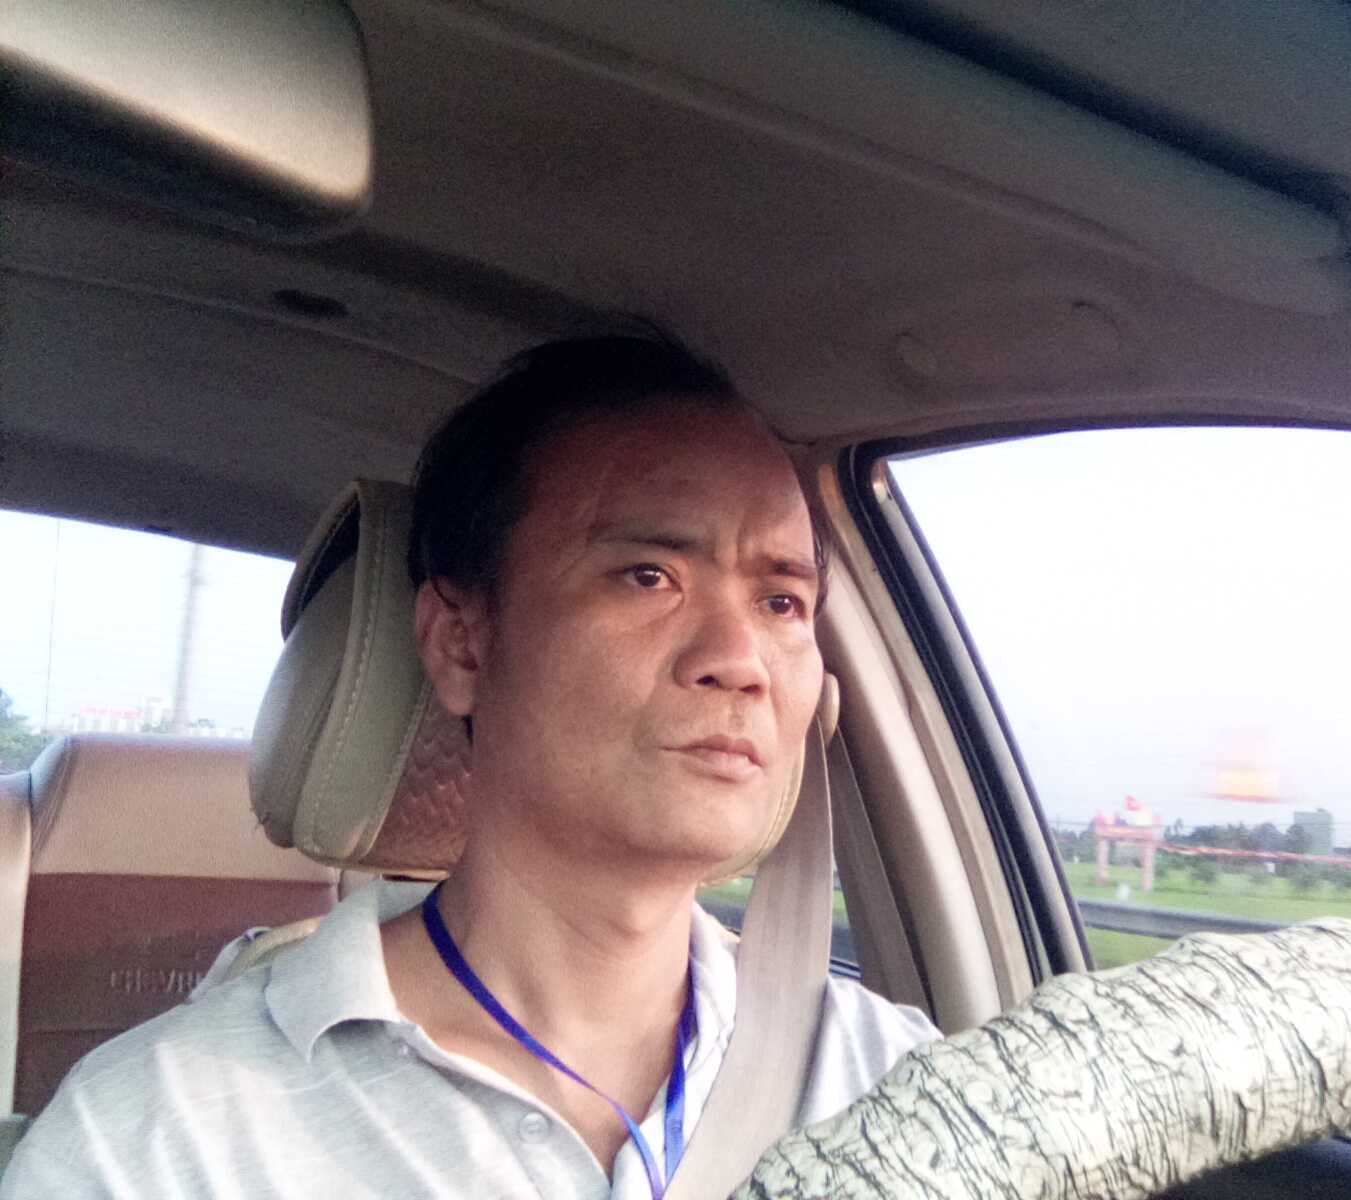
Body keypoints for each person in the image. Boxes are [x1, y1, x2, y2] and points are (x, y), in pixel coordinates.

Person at [1, 336, 939, 1198]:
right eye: (648, 575)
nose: (739, 659)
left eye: (782, 603)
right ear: (459, 643)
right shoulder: (160, 1141)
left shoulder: (908, 1091)